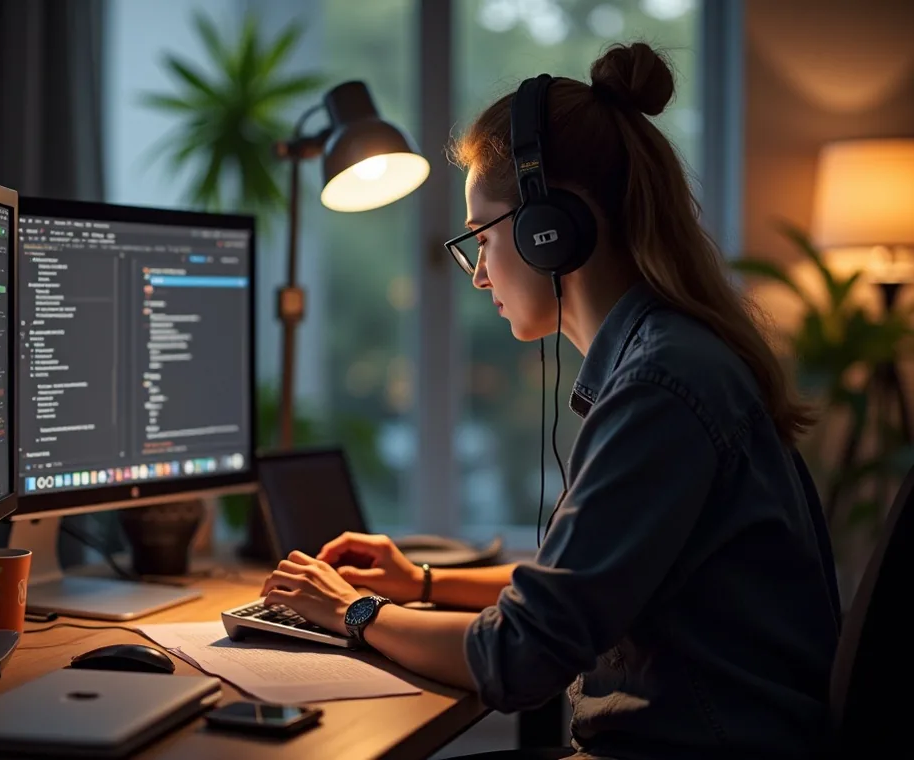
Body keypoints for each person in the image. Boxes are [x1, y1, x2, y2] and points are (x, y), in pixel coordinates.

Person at [259, 42, 840, 760]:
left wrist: (353, 611)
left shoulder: (658, 387)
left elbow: (519, 658)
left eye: (481, 236)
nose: (477, 275)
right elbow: (577, 586)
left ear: (548, 231)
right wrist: (422, 582)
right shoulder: (670, 358)